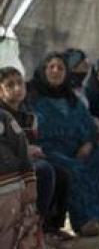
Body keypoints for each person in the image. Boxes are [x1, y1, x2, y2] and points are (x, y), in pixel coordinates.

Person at [27, 53, 99, 236]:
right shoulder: (31, 100)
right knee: (74, 168)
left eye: (61, 68)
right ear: (43, 70)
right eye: (52, 67)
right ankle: (84, 220)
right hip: (50, 151)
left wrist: (88, 143)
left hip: (79, 147)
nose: (56, 71)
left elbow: (88, 125)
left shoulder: (71, 98)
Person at [0, 67, 70, 238]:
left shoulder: (28, 114)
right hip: (7, 165)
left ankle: (50, 225)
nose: (17, 88)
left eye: (20, 84)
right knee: (43, 171)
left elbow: (33, 140)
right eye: (10, 85)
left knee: (63, 173)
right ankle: (31, 227)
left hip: (27, 160)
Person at [0, 107, 45, 249]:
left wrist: (31, 182)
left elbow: (21, 149)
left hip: (10, 191)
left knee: (12, 242)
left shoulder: (3, 118)